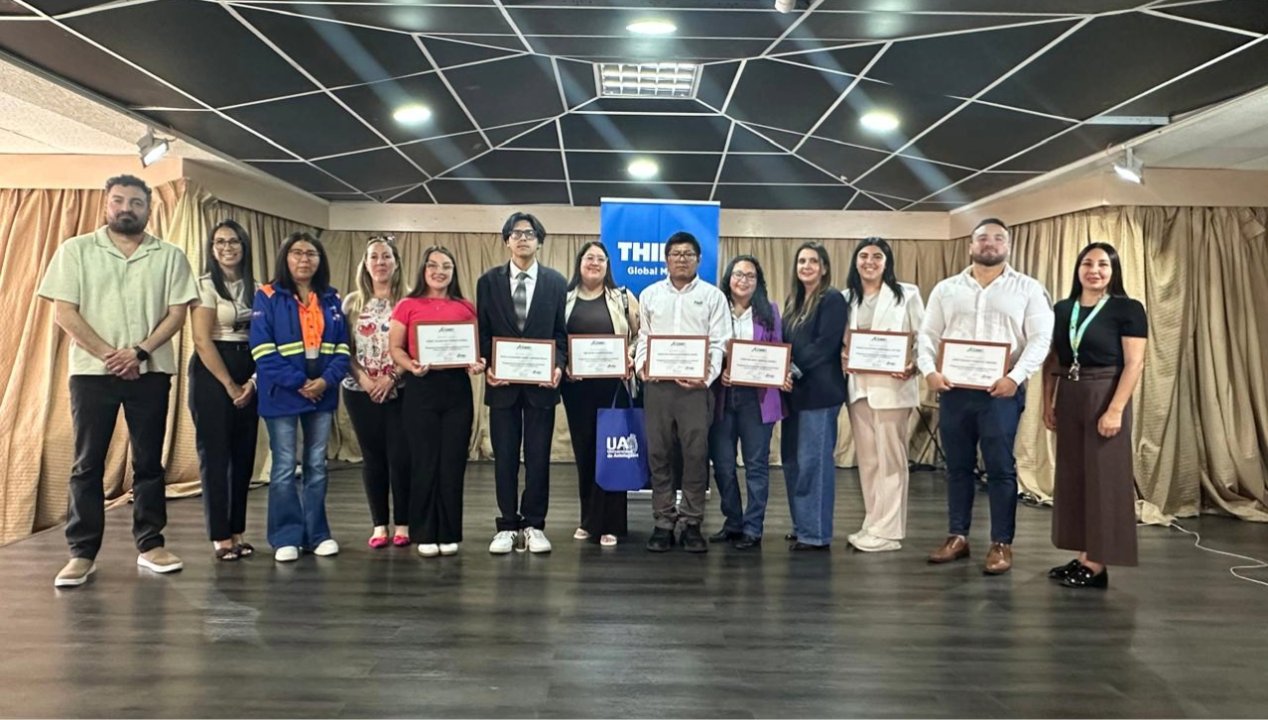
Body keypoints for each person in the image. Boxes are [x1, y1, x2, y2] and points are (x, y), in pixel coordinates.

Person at [37, 174, 199, 587]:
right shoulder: (75, 251)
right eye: (119, 201)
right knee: (87, 463)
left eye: (136, 202)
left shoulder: (170, 256)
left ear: (149, 209)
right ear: (106, 204)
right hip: (92, 373)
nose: (127, 208)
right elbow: (65, 312)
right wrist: (110, 355)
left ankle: (151, 544)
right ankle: (82, 553)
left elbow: (177, 313)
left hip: (150, 370)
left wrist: (138, 352)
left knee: (148, 461)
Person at [918, 218, 1053, 575]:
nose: (989, 243)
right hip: (954, 391)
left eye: (997, 238)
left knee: (1000, 468)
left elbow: (1040, 339)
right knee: (957, 467)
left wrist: (1015, 377)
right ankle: (957, 537)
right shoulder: (946, 289)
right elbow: (927, 335)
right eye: (982, 238)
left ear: (1008, 246)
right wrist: (929, 371)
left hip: (1001, 392)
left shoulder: (1028, 289)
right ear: (971, 245)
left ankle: (1001, 543)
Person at [1041, 243, 1147, 589]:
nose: (1095, 270)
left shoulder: (1128, 308)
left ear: (1113, 271)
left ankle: (1097, 563)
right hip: (1070, 393)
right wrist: (1048, 402)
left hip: (1105, 393)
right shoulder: (1063, 308)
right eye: (1087, 263)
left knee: (1104, 479)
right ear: (1078, 269)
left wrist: (1115, 409)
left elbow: (1135, 363)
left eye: (1103, 264)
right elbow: (1053, 359)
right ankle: (1084, 554)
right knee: (1074, 477)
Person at [249, 231, 350, 563]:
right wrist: (300, 382)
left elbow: (342, 348)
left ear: (320, 260)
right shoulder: (266, 296)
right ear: (285, 257)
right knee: (283, 467)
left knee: (316, 465)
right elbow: (262, 350)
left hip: (321, 393)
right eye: (297, 253)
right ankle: (285, 537)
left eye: (311, 253)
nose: (304, 259)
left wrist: (324, 381)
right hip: (281, 394)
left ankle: (317, 534)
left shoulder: (331, 298)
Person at [476, 212, 569, 554]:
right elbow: (483, 331)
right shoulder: (488, 282)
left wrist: (558, 365)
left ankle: (534, 524)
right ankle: (506, 524)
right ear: (507, 241)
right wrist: (487, 364)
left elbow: (560, 334)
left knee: (538, 457)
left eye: (529, 234)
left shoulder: (556, 282)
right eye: (516, 234)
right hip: (502, 385)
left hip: (542, 387)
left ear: (539, 241)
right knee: (504, 457)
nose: (523, 239)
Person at [635, 231, 731, 553]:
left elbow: (719, 342)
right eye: (676, 254)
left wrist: (706, 377)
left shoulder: (713, 296)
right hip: (658, 388)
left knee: (695, 455)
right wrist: (643, 366)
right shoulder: (649, 294)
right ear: (666, 259)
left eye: (688, 254)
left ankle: (691, 521)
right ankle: (663, 521)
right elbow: (644, 337)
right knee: (658, 454)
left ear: (698, 259)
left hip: (695, 390)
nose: (681, 259)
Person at [390, 246, 485, 557]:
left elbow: (475, 350)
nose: (439, 271)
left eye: (446, 266)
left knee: (452, 463)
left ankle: (449, 531)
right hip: (421, 387)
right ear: (423, 270)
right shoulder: (407, 305)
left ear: (453, 272)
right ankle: (424, 532)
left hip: (457, 390)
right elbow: (395, 348)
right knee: (424, 461)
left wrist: (477, 363)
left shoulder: (465, 307)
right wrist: (411, 365)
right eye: (433, 265)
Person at [841, 238, 925, 553]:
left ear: (887, 262)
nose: (870, 262)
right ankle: (873, 522)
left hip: (893, 389)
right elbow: (843, 342)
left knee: (891, 460)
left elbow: (924, 337)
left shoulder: (907, 294)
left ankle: (889, 532)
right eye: (863, 256)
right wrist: (843, 356)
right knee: (869, 461)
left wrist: (914, 365)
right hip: (858, 389)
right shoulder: (846, 297)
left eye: (877, 256)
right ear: (856, 261)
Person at [189, 219, 260, 562]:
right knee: (215, 456)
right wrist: (230, 385)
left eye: (233, 241)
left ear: (244, 246)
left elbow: (266, 338)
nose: (227, 247)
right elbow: (202, 340)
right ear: (212, 248)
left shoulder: (257, 288)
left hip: (250, 366)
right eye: (220, 242)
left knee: (243, 457)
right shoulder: (204, 286)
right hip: (213, 371)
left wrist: (253, 381)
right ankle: (220, 536)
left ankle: (237, 532)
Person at [561, 241, 640, 548]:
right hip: (577, 387)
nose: (594, 263)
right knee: (585, 453)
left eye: (601, 259)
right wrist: (565, 364)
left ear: (608, 265)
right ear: (579, 263)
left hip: (613, 387)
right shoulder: (565, 298)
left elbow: (639, 336)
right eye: (589, 257)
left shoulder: (623, 298)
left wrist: (629, 356)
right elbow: (557, 340)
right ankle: (588, 521)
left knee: (612, 453)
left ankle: (612, 524)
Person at [708, 255, 785, 550]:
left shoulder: (769, 311)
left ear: (758, 281)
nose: (743, 280)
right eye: (738, 274)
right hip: (722, 397)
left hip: (758, 398)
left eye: (750, 276)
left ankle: (753, 527)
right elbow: (707, 349)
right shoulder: (716, 308)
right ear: (729, 278)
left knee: (756, 466)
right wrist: (721, 369)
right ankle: (733, 521)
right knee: (723, 465)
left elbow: (777, 352)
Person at [341, 235, 410, 550]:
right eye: (374, 257)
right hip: (360, 391)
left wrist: (391, 378)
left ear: (396, 262)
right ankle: (379, 524)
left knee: (400, 457)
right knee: (373, 458)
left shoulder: (409, 302)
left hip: (401, 390)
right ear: (365, 264)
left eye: (386, 256)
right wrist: (366, 381)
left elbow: (415, 347)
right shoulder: (351, 303)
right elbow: (343, 349)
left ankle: (403, 523)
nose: (380, 262)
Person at [781, 242, 848, 551]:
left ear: (824, 268)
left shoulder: (832, 299)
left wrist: (790, 368)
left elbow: (824, 346)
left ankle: (816, 533)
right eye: (801, 261)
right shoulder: (793, 301)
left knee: (814, 465)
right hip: (793, 394)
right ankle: (802, 526)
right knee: (792, 462)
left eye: (812, 261)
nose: (806, 266)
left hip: (820, 395)